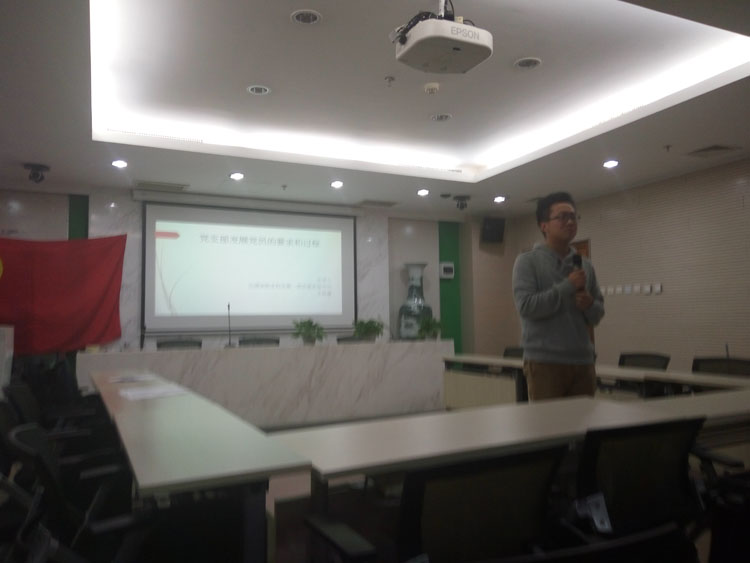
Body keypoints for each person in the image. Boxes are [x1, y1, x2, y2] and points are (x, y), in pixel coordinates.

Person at [512, 192, 604, 400]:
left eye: (573, 217)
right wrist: (567, 286)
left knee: (585, 420)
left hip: (583, 361)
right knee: (548, 420)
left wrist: (589, 304)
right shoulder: (527, 262)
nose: (570, 222)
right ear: (544, 225)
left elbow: (597, 314)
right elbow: (527, 307)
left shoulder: (585, 265)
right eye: (562, 217)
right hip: (544, 363)